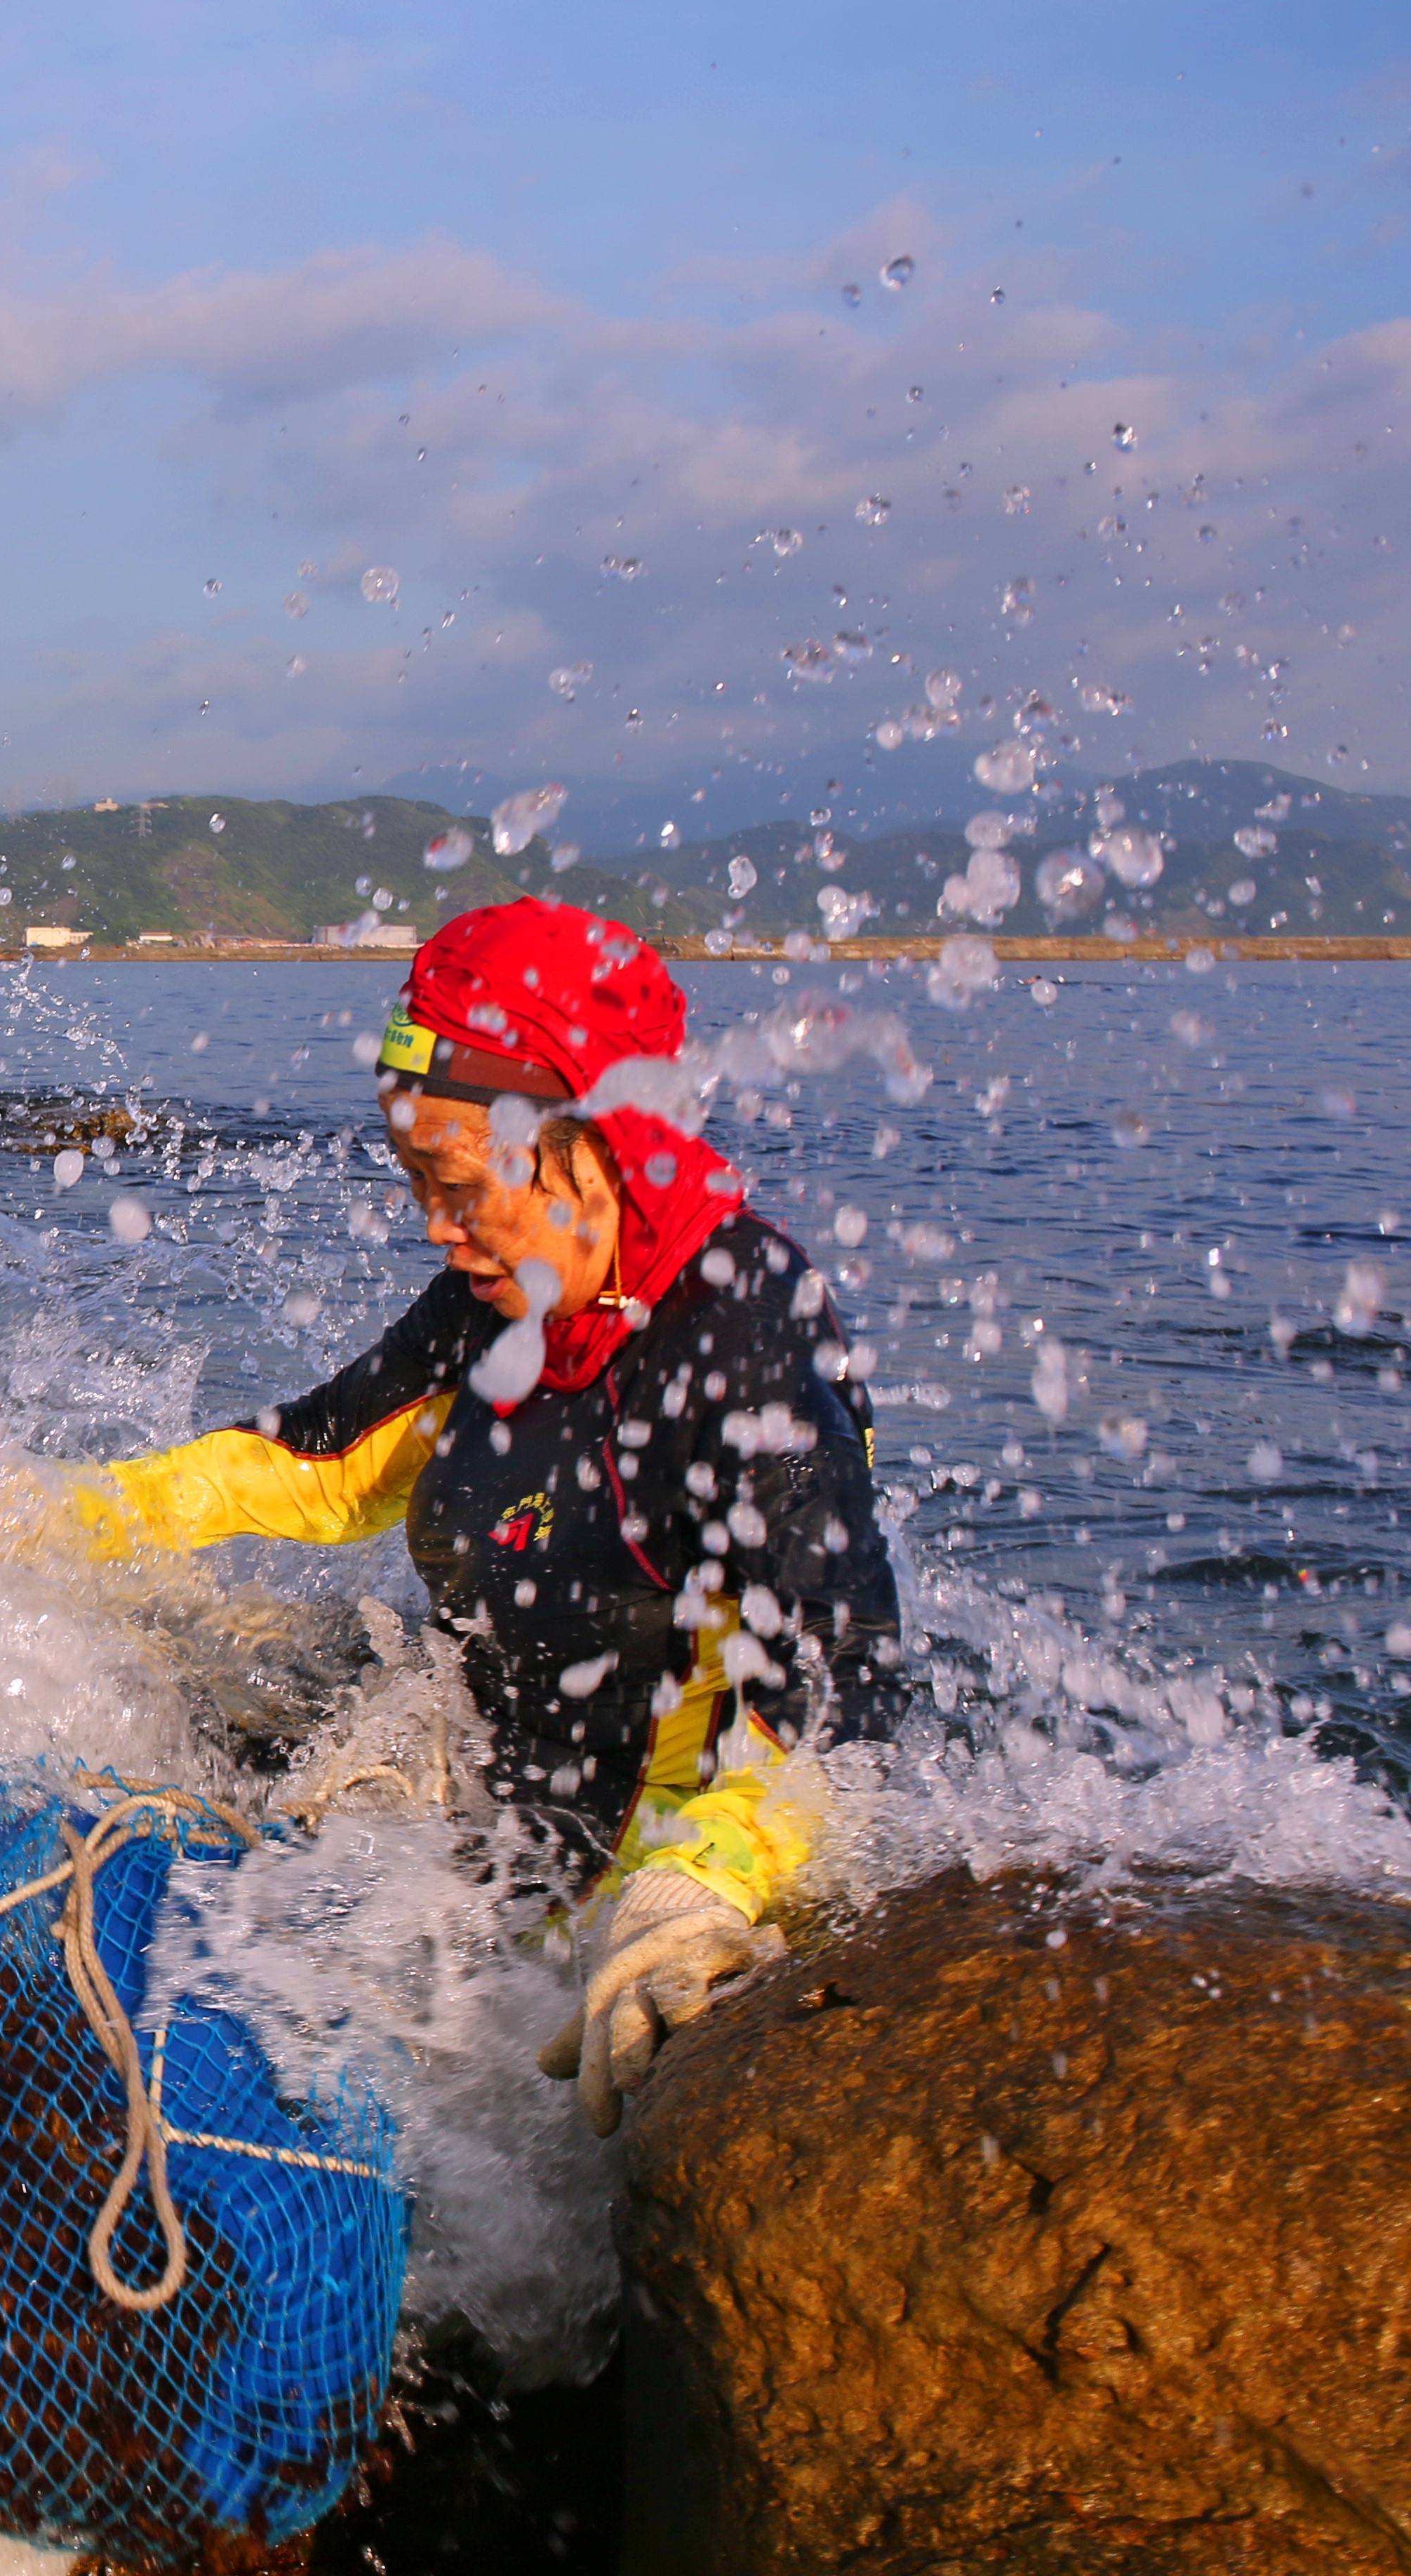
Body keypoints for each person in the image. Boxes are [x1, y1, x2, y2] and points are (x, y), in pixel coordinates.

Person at [72, 897, 900, 2133]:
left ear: (599, 1139)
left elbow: (833, 1686)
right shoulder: (504, 1301)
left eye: (454, 1187)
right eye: (414, 1181)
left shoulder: (743, 1346)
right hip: (491, 1872)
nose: (432, 1226)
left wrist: (693, 1891)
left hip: (647, 1891)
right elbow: (316, 1464)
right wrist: (31, 1520)